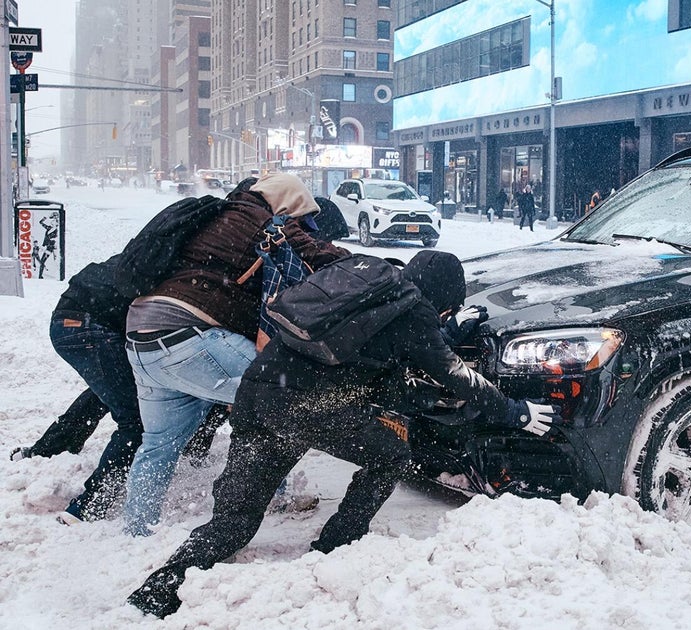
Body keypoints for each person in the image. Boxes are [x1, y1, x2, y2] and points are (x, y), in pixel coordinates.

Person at [126, 250, 559, 618]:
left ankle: (152, 597)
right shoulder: (413, 312)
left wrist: (442, 332)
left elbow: (392, 347)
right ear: (443, 295)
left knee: (233, 522)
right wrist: (514, 411)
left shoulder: (372, 288)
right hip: (309, 407)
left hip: (260, 392)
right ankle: (338, 545)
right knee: (391, 454)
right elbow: (452, 373)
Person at [121, 172, 347, 536]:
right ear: (288, 204)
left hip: (142, 337)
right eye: (301, 216)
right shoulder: (266, 223)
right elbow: (315, 260)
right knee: (280, 396)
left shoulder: (220, 213)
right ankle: (274, 496)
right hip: (187, 336)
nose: (301, 225)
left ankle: (136, 529)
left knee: (158, 445)